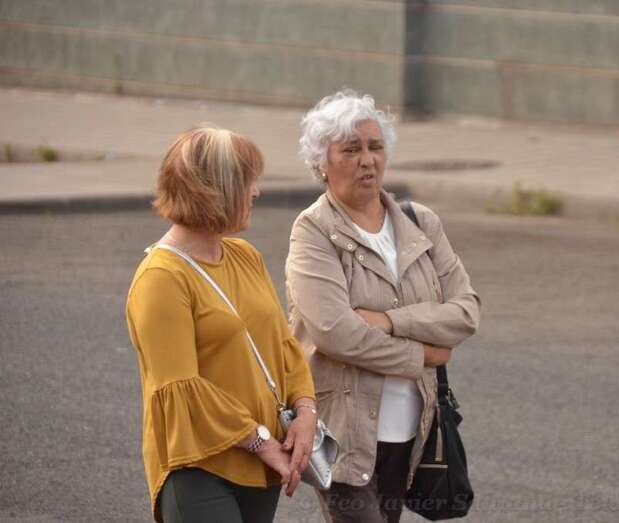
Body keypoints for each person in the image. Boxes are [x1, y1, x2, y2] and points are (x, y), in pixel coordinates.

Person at [284, 89, 481, 523]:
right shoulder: (313, 231)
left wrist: (389, 321)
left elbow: (465, 311)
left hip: (411, 431)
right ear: (321, 162)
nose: (367, 160)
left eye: (375, 147)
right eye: (350, 150)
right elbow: (336, 333)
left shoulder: (419, 221)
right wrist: (422, 354)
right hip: (342, 435)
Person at [126, 125, 317, 523]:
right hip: (199, 468)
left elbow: (283, 346)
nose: (256, 192)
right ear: (214, 189)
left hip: (262, 464)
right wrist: (260, 441)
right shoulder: (160, 278)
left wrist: (305, 411)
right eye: (247, 182)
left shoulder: (245, 256)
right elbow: (183, 389)